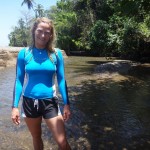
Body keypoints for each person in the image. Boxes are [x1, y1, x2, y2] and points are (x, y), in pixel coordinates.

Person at [11, 17, 71, 150]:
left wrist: (67, 104)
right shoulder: (24, 53)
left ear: (51, 34)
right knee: (36, 138)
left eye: (47, 32)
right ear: (34, 31)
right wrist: (14, 106)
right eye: (40, 31)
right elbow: (19, 80)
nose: (43, 35)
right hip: (29, 102)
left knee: (62, 142)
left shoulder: (56, 54)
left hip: (50, 102)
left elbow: (61, 80)